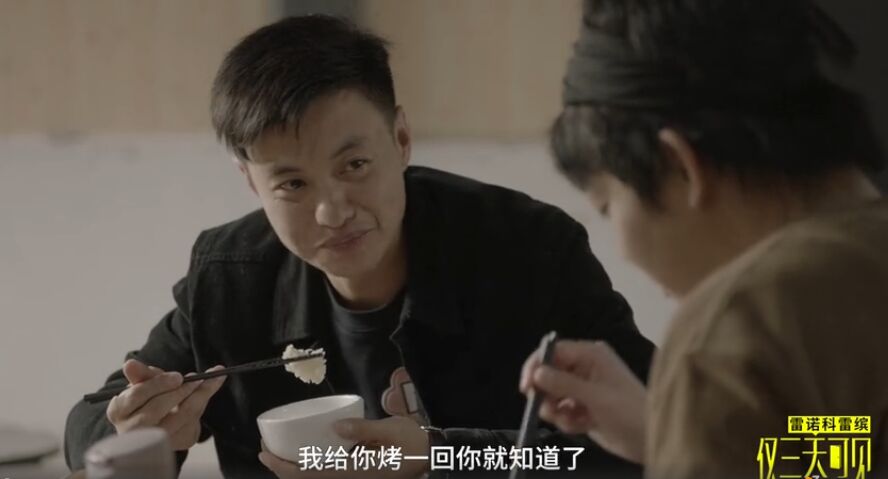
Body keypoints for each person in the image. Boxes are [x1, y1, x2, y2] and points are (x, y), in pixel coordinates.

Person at [64, 15, 655, 479]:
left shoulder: (527, 250)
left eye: (354, 165)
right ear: (252, 184)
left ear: (401, 139)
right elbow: (86, 425)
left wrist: (441, 457)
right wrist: (136, 434)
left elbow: (648, 446)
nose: (332, 211)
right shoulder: (231, 278)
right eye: (292, 184)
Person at [521, 1, 888, 478]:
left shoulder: (737, 320)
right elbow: (861, 450)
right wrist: (672, 431)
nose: (624, 252)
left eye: (608, 207)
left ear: (679, 165)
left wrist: (698, 415)